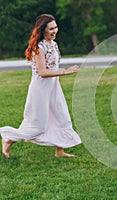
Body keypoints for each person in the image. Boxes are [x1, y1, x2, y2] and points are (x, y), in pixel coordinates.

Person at [1, 14, 82, 158]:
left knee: (62, 117)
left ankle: (60, 151)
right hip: (40, 90)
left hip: (53, 87)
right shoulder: (39, 48)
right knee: (38, 126)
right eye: (51, 29)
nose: (54, 31)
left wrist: (60, 76)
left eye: (56, 27)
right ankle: (9, 139)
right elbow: (43, 72)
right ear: (42, 30)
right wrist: (66, 72)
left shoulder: (53, 44)